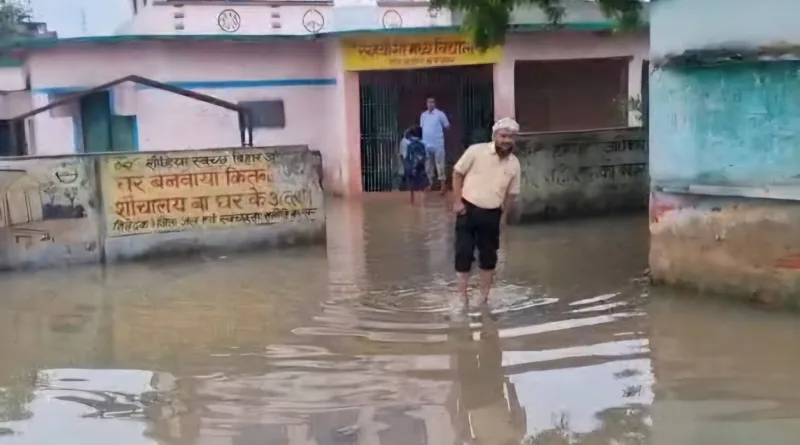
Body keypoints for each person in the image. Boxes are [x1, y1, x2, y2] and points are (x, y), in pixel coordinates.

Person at [451, 117, 521, 306]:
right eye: (503, 135)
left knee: (489, 256)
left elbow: (511, 194)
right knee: (463, 253)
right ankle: (462, 296)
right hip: (468, 209)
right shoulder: (476, 151)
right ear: (495, 136)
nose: (506, 140)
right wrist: (457, 202)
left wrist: (503, 217)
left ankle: (483, 298)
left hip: (492, 214)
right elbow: (457, 173)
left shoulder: (514, 164)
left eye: (510, 137)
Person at [419, 96, 450, 193]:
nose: (430, 104)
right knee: (428, 165)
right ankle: (430, 184)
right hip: (426, 144)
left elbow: (447, 126)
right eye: (428, 102)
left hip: (437, 144)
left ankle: (442, 185)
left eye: (432, 102)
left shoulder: (440, 114)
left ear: (435, 104)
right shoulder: (423, 115)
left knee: (440, 164)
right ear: (426, 104)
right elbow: (422, 128)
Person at [401, 125, 428, 204]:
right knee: (422, 186)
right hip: (420, 168)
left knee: (412, 187)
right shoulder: (422, 145)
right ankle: (422, 203)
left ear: (412, 135)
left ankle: (412, 202)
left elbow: (408, 157)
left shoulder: (410, 145)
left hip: (411, 168)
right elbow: (425, 156)